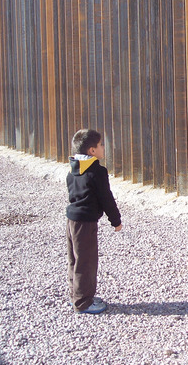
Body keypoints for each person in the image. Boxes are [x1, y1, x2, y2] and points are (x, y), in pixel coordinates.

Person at [66, 129, 122, 314]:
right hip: (85, 223)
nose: (103, 147)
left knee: (75, 260)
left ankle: (77, 295)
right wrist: (116, 220)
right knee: (86, 262)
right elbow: (106, 198)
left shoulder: (73, 170)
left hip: (72, 221)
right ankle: (83, 303)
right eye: (100, 145)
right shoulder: (97, 171)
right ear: (92, 150)